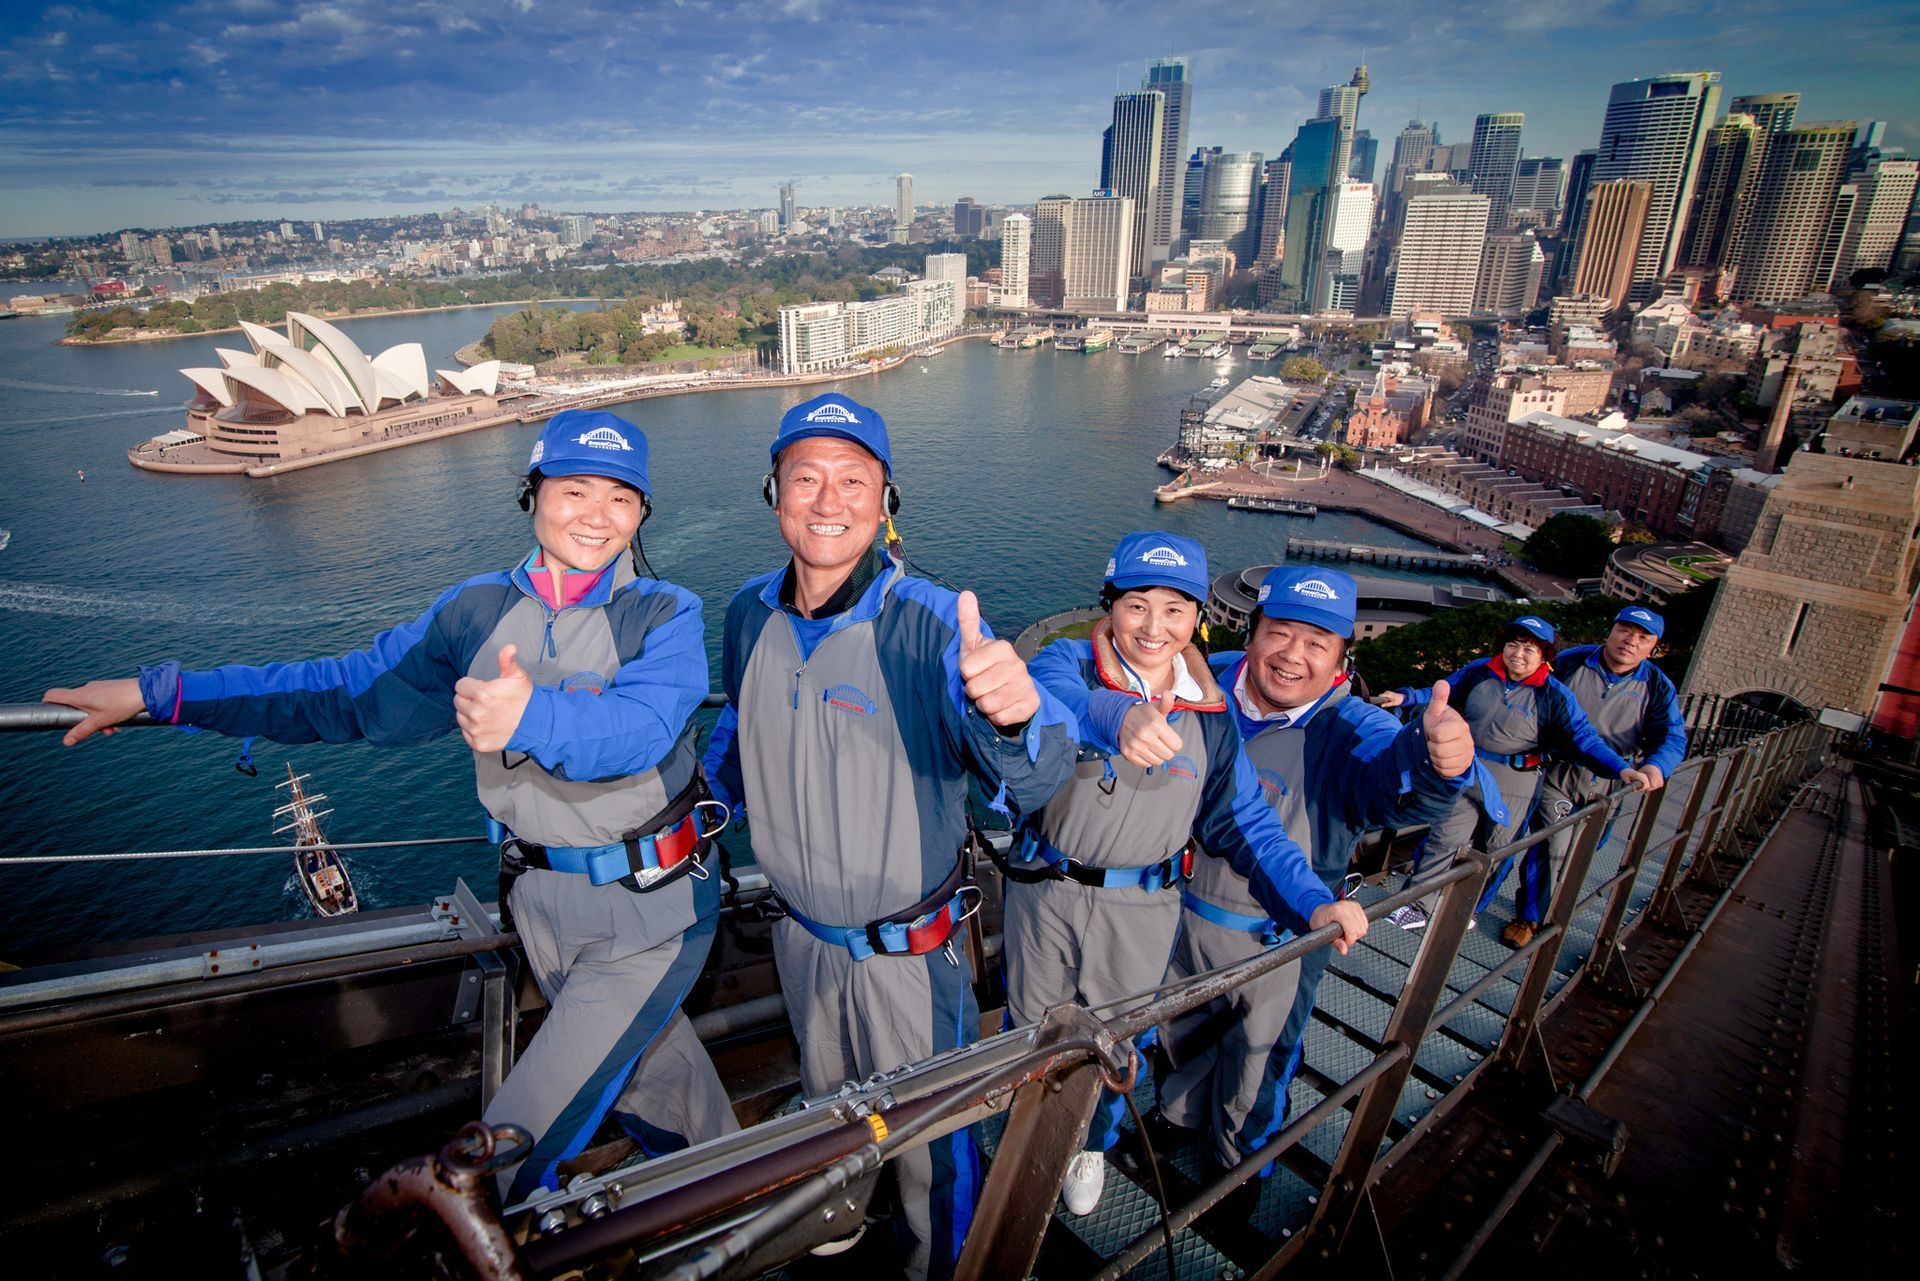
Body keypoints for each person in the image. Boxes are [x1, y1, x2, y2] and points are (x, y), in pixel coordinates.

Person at [43, 410, 738, 1203]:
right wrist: (162, 694)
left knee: (498, 1156)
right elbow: (343, 692)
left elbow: (642, 730)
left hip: (649, 910)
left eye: (621, 499)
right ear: (531, 493)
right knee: (652, 1073)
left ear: (642, 514)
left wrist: (531, 717)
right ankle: (747, 1189)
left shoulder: (663, 612)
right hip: (540, 901)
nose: (597, 515)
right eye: (574, 489)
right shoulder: (472, 614)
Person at [702, 391, 1076, 1281]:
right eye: (806, 479)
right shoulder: (747, 614)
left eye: (852, 481)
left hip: (913, 954)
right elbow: (737, 745)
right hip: (800, 938)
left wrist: (1022, 716)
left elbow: (1032, 776)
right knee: (827, 1106)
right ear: (775, 493)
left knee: (932, 1140)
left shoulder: (932, 626)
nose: (828, 502)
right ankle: (836, 1223)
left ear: (885, 502)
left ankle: (944, 1265)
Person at [1011, 534, 1370, 1217]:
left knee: (1117, 1040)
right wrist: (1113, 712)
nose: (1154, 627)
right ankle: (1029, 1135)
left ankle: (1090, 1144)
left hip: (1144, 907)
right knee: (1032, 1031)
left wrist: (1314, 902)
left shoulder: (1212, 719)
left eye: (1175, 610)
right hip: (1045, 891)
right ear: (1109, 606)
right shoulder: (1071, 663)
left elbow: (1249, 823)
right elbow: (1045, 695)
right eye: (1137, 605)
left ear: (1198, 619)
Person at [1156, 567, 1475, 1180]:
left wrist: (1437, 761)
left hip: (1284, 938)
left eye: (1316, 644)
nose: (1292, 657)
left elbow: (1394, 787)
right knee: (1179, 1035)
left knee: (1258, 1061)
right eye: (1280, 634)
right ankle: (1177, 1126)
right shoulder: (1201, 686)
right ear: (1251, 633)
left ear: (1341, 660)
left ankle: (1239, 1172)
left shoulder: (1352, 728)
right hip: (1178, 919)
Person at [1372, 615, 1652, 931]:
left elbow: (1583, 737)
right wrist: (1405, 697)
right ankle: (1418, 904)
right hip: (1469, 770)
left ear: (1544, 655)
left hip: (1517, 781)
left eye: (1528, 649)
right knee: (1445, 836)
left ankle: (1465, 909)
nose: (1517, 654)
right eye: (1512, 644)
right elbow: (1442, 691)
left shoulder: (1554, 695)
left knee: (1495, 849)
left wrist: (1621, 768)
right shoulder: (1481, 672)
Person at [1507, 605, 1687, 946]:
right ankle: (1529, 917)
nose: (1630, 641)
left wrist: (1656, 765)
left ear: (1654, 647)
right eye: (1624, 631)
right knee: (1551, 844)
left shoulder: (1657, 686)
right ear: (1610, 631)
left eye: (1642, 637)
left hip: (1614, 777)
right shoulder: (1571, 662)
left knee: (1582, 849)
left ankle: (1555, 910)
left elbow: (1672, 736)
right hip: (1561, 768)